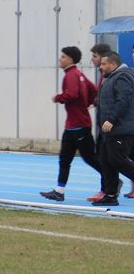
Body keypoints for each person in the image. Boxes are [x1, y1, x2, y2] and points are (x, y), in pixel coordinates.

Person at [40, 46, 101, 202]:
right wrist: (86, 103)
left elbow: (72, 94)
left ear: (70, 59)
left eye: (63, 57)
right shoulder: (79, 74)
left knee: (90, 158)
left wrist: (58, 98)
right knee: (65, 158)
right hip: (74, 125)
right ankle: (59, 191)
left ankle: (111, 180)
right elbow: (94, 90)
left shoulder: (71, 75)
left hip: (79, 125)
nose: (60, 59)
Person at [92, 51, 134, 206]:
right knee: (105, 162)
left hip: (120, 129)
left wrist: (111, 119)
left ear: (113, 64)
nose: (101, 67)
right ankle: (110, 195)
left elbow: (123, 100)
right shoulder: (110, 78)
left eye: (104, 64)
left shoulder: (123, 77)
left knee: (117, 160)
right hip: (108, 131)